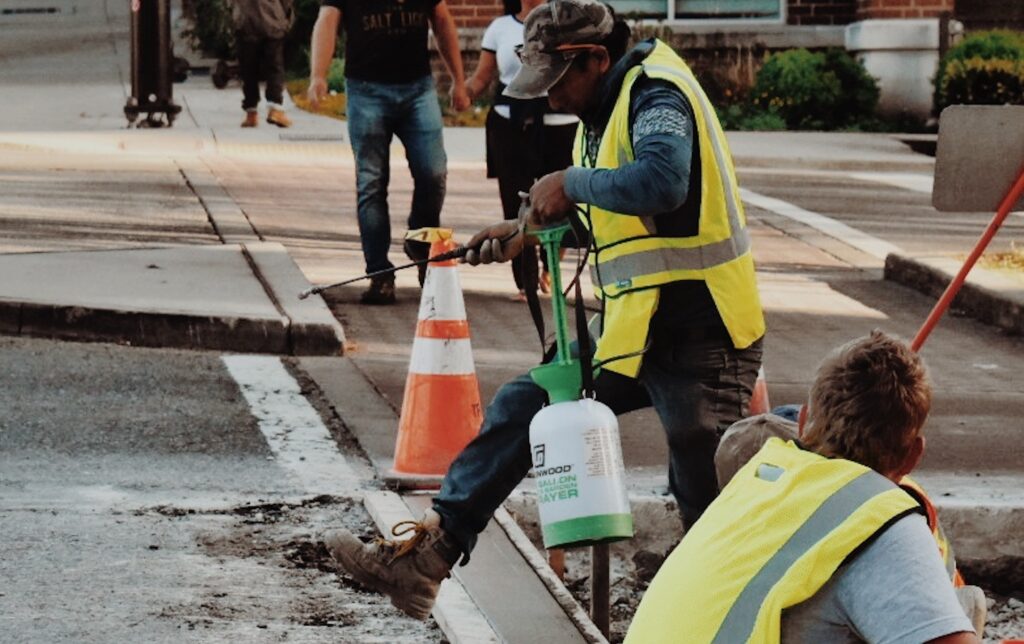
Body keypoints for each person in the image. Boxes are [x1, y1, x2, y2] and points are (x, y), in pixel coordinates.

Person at [322, 0, 765, 620]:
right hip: (638, 328)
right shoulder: (599, 113)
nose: (550, 97)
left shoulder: (655, 94)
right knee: (525, 405)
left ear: (596, 59)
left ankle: (735, 614)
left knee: (703, 488)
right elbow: (624, 222)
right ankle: (427, 561)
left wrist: (570, 183)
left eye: (558, 80)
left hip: (704, 332)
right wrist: (528, 229)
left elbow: (664, 185)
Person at [625, 331, 982, 644]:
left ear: (803, 420)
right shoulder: (877, 522)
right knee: (962, 608)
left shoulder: (757, 483)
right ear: (912, 455)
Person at [307, 0, 470, 305]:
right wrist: (319, 74)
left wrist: (458, 81)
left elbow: (442, 21)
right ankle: (380, 273)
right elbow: (327, 20)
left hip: (418, 89)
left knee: (433, 172)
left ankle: (419, 242)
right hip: (366, 91)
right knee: (371, 182)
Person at [464, 0, 579, 301]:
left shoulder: (567, 22)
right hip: (511, 123)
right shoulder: (500, 27)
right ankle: (525, 283)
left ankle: (551, 268)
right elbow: (483, 76)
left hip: (560, 123)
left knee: (562, 202)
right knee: (517, 202)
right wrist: (465, 92)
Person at [233, 0, 294, 128]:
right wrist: (285, 20)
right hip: (273, 21)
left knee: (248, 70)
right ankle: (275, 108)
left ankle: (251, 112)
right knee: (274, 68)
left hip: (246, 22)